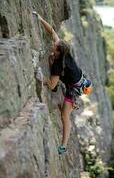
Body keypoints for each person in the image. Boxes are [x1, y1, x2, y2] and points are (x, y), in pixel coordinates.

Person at [32, 11, 92, 154]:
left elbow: (51, 84)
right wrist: (40, 18)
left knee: (64, 116)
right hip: (79, 79)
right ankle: (65, 100)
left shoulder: (58, 65)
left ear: (59, 52)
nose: (53, 45)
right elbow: (52, 32)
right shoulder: (63, 50)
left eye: (55, 46)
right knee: (50, 60)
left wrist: (41, 77)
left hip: (75, 88)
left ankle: (63, 146)